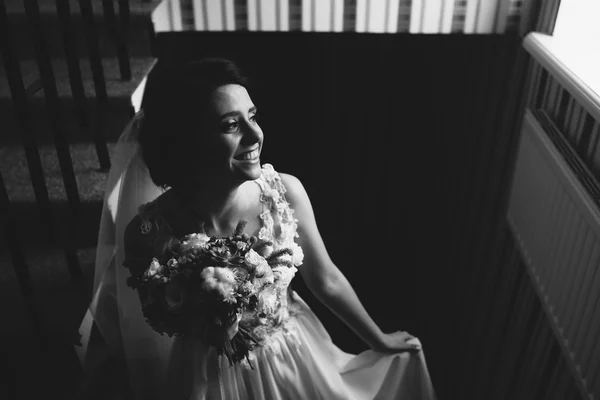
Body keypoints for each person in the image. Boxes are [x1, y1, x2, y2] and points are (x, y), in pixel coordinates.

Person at [76, 57, 437, 400]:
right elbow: (153, 324)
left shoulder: (285, 192)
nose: (255, 135)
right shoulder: (147, 232)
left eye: (252, 116)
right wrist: (203, 317)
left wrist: (379, 340)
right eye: (231, 125)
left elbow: (324, 278)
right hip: (205, 375)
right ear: (190, 140)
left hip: (291, 357)